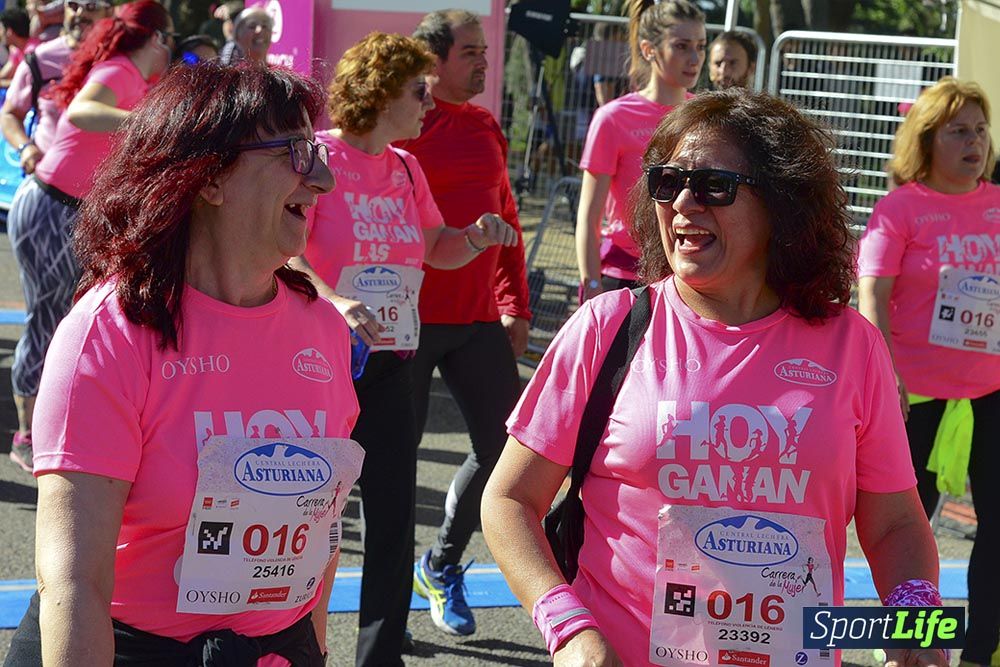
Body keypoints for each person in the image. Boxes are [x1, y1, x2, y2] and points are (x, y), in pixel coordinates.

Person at [483, 89, 945, 667]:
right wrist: (568, 628)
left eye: (712, 187)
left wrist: (915, 621)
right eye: (666, 182)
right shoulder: (609, 329)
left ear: (781, 202)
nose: (682, 204)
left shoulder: (852, 345)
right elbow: (508, 499)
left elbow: (897, 523)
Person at [3, 60, 360, 666]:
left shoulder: (324, 332)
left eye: (317, 152)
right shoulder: (109, 334)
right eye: (296, 153)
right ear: (208, 178)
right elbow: (73, 584)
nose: (321, 179)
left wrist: (314, 649)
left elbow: (315, 534)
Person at [288, 32, 517, 667]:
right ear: (381, 92)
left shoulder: (406, 167)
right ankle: (292, 647)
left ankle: (379, 655)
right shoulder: (317, 158)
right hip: (321, 363)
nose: (427, 104)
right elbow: (286, 248)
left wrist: (473, 239)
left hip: (392, 360)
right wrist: (332, 299)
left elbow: (435, 246)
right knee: (308, 519)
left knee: (390, 523)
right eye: (418, 92)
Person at [858, 77, 1000, 667]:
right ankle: (910, 643)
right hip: (913, 397)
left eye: (981, 130)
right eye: (958, 131)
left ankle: (981, 648)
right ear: (927, 140)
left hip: (992, 392)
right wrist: (884, 370)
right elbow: (871, 294)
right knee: (906, 532)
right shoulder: (902, 209)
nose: (975, 142)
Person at [404, 8, 532, 638]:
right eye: (470, 52)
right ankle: (378, 607)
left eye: (485, 51)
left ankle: (440, 565)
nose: (484, 61)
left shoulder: (486, 127)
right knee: (389, 464)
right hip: (402, 323)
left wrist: (516, 303)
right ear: (433, 61)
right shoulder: (402, 127)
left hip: (477, 318)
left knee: (506, 451)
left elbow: (504, 220)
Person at [6, 0, 172, 473]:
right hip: (51, 207)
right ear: (156, 38)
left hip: (76, 213)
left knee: (76, 320)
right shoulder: (120, 68)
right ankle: (26, 435)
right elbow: (83, 111)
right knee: (48, 319)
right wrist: (148, 123)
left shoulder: (137, 80)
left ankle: (62, 426)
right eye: (171, 38)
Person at [576, 0, 706, 304]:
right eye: (682, 46)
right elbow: (589, 216)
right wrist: (591, 284)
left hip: (685, 275)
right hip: (623, 275)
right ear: (649, 50)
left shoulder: (703, 115)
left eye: (700, 46)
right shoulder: (613, 118)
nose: (694, 58)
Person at [0, 0, 112, 175]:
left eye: (91, 6)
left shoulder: (124, 60)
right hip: (47, 182)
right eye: (73, 5)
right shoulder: (39, 59)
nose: (80, 13)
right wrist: (26, 148)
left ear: (108, 11)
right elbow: (9, 114)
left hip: (101, 187)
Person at [0, 8, 39, 88]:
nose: (0, 33)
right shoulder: (17, 49)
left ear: (9, 31)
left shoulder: (33, 52)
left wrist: (2, 83)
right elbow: (5, 73)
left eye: (1, 29)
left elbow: (26, 85)